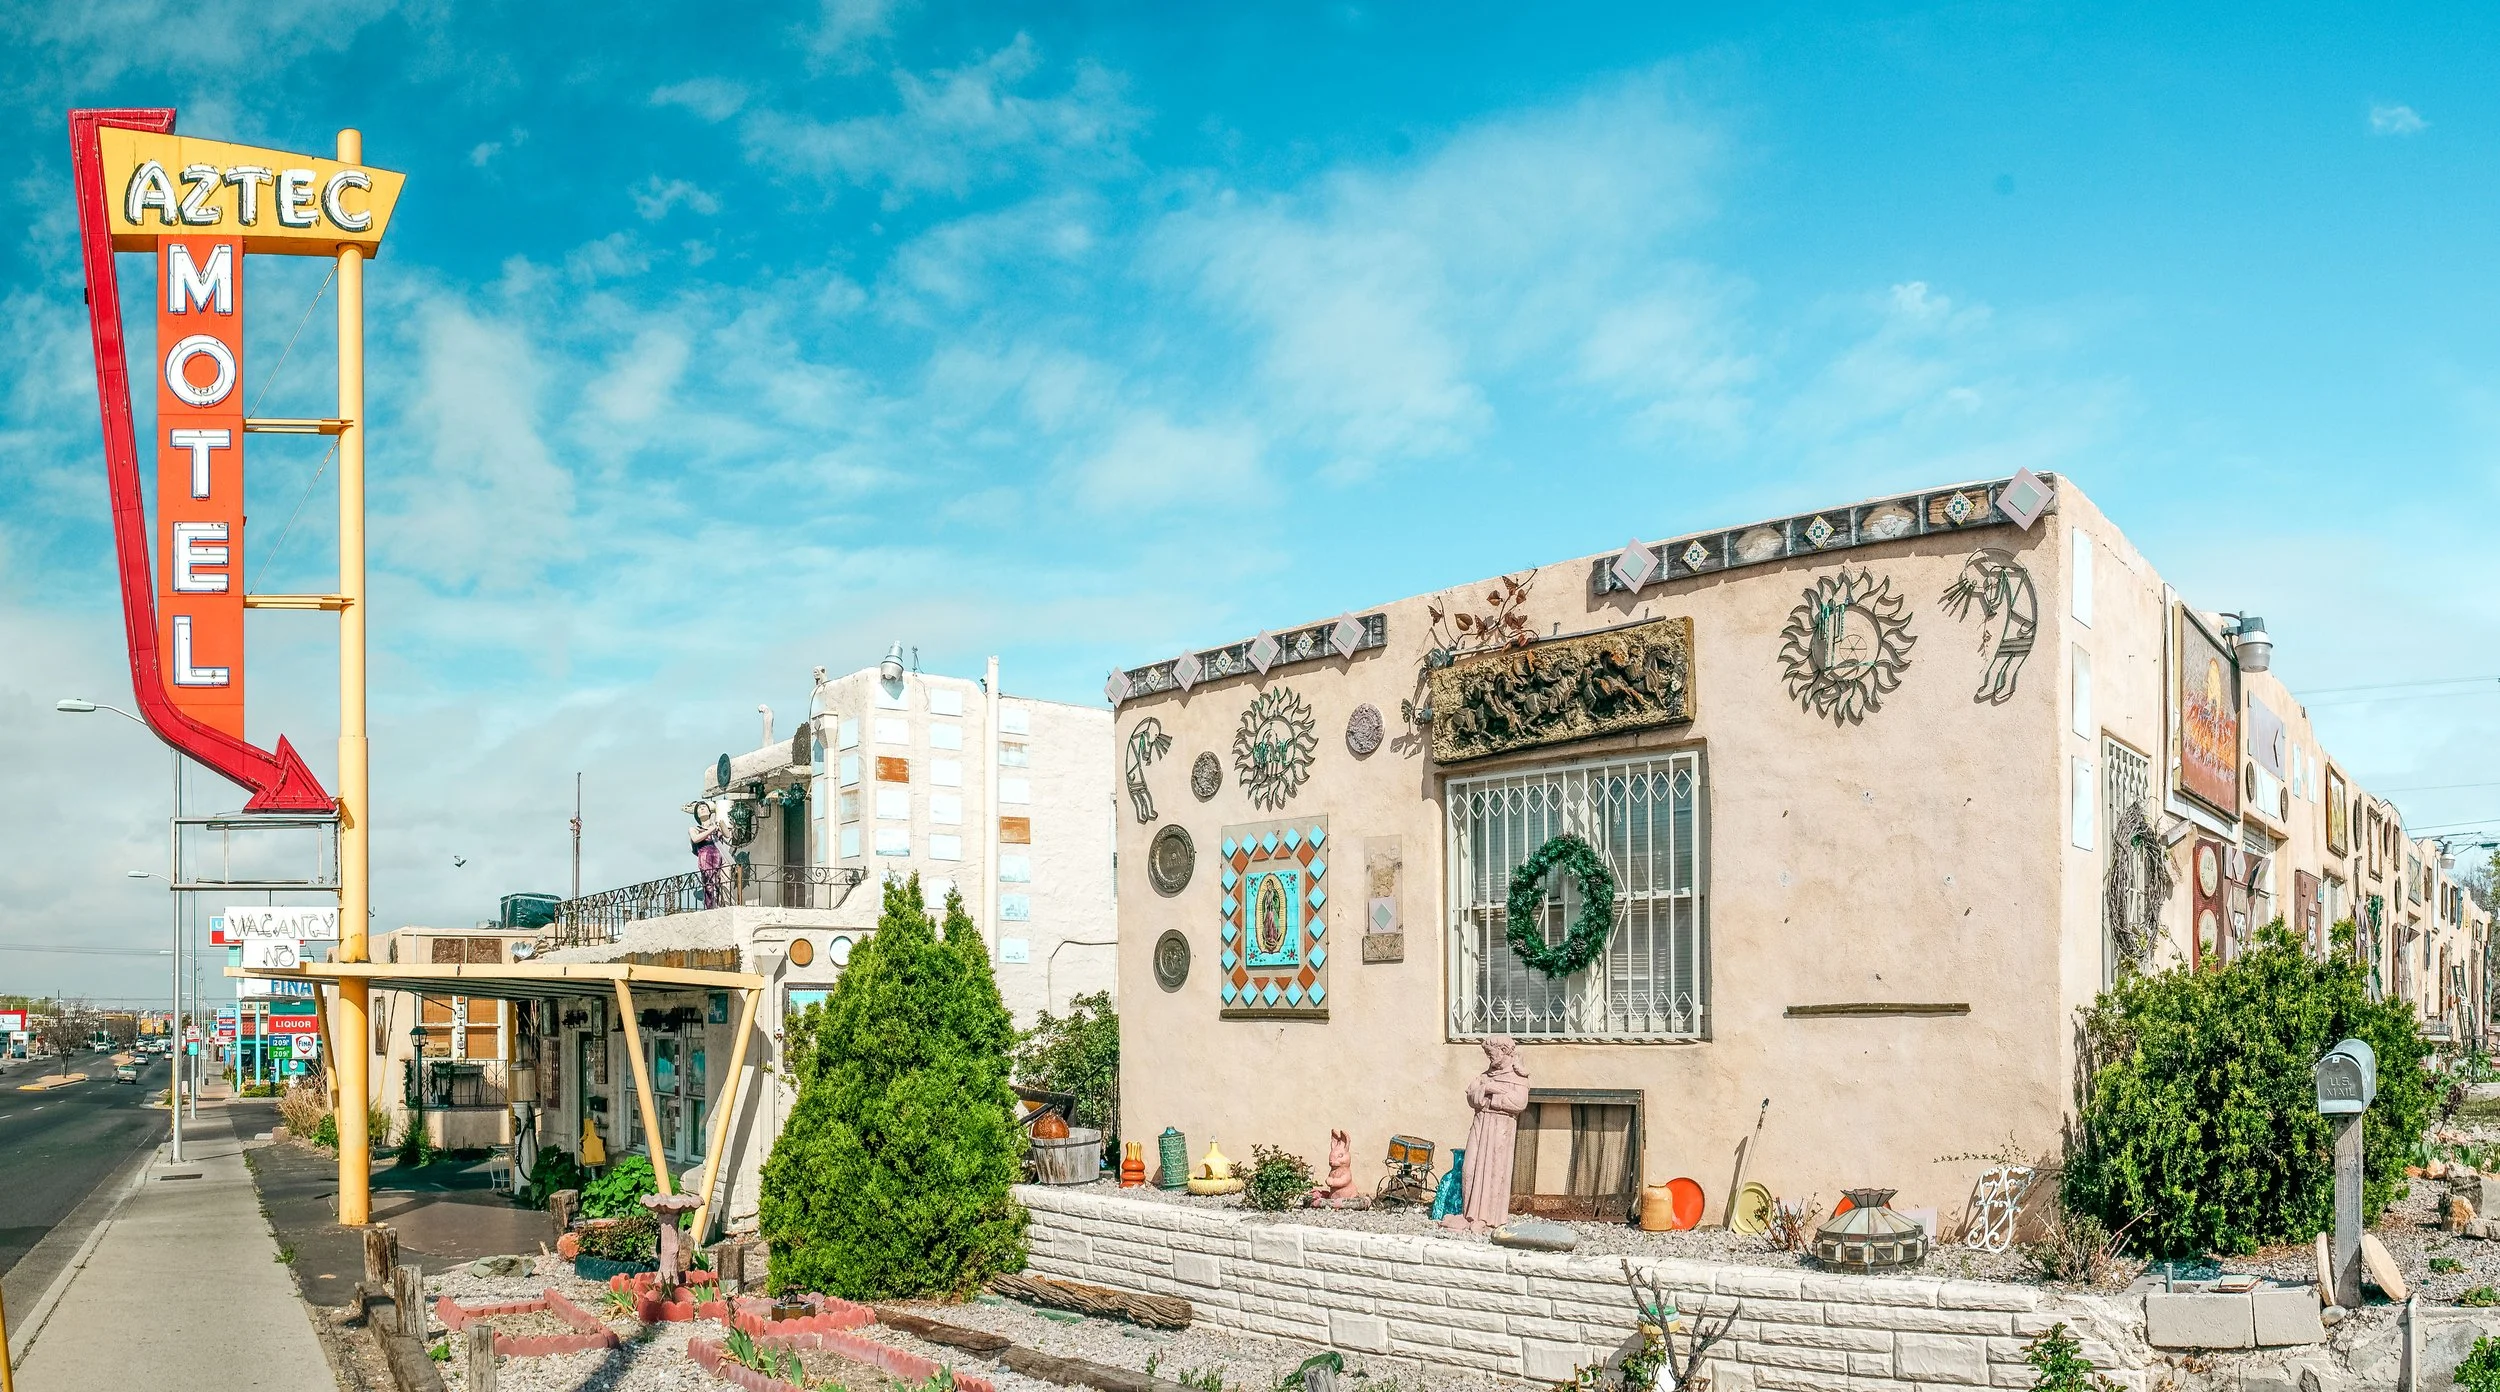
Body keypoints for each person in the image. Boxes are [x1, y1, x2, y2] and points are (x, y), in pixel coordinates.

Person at [1442, 1035, 1531, 1232]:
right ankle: (1469, 1214)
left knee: (1494, 1170)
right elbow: (1472, 1097)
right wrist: (1487, 1089)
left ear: (1504, 1051)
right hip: (1481, 1123)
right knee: (1470, 1168)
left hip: (1500, 1127)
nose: (1489, 1058)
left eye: (1491, 1054)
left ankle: (1488, 1219)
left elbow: (1519, 1103)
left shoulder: (1517, 1077)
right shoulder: (1485, 1077)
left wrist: (1494, 1098)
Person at [689, 800, 730, 907]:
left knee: (717, 880)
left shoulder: (715, 826)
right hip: (705, 855)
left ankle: (719, 903)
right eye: (699, 808)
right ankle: (709, 905)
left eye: (704, 807)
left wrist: (721, 823)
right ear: (697, 814)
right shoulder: (694, 829)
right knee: (708, 880)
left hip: (717, 855)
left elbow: (727, 834)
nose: (702, 809)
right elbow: (695, 839)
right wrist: (710, 830)